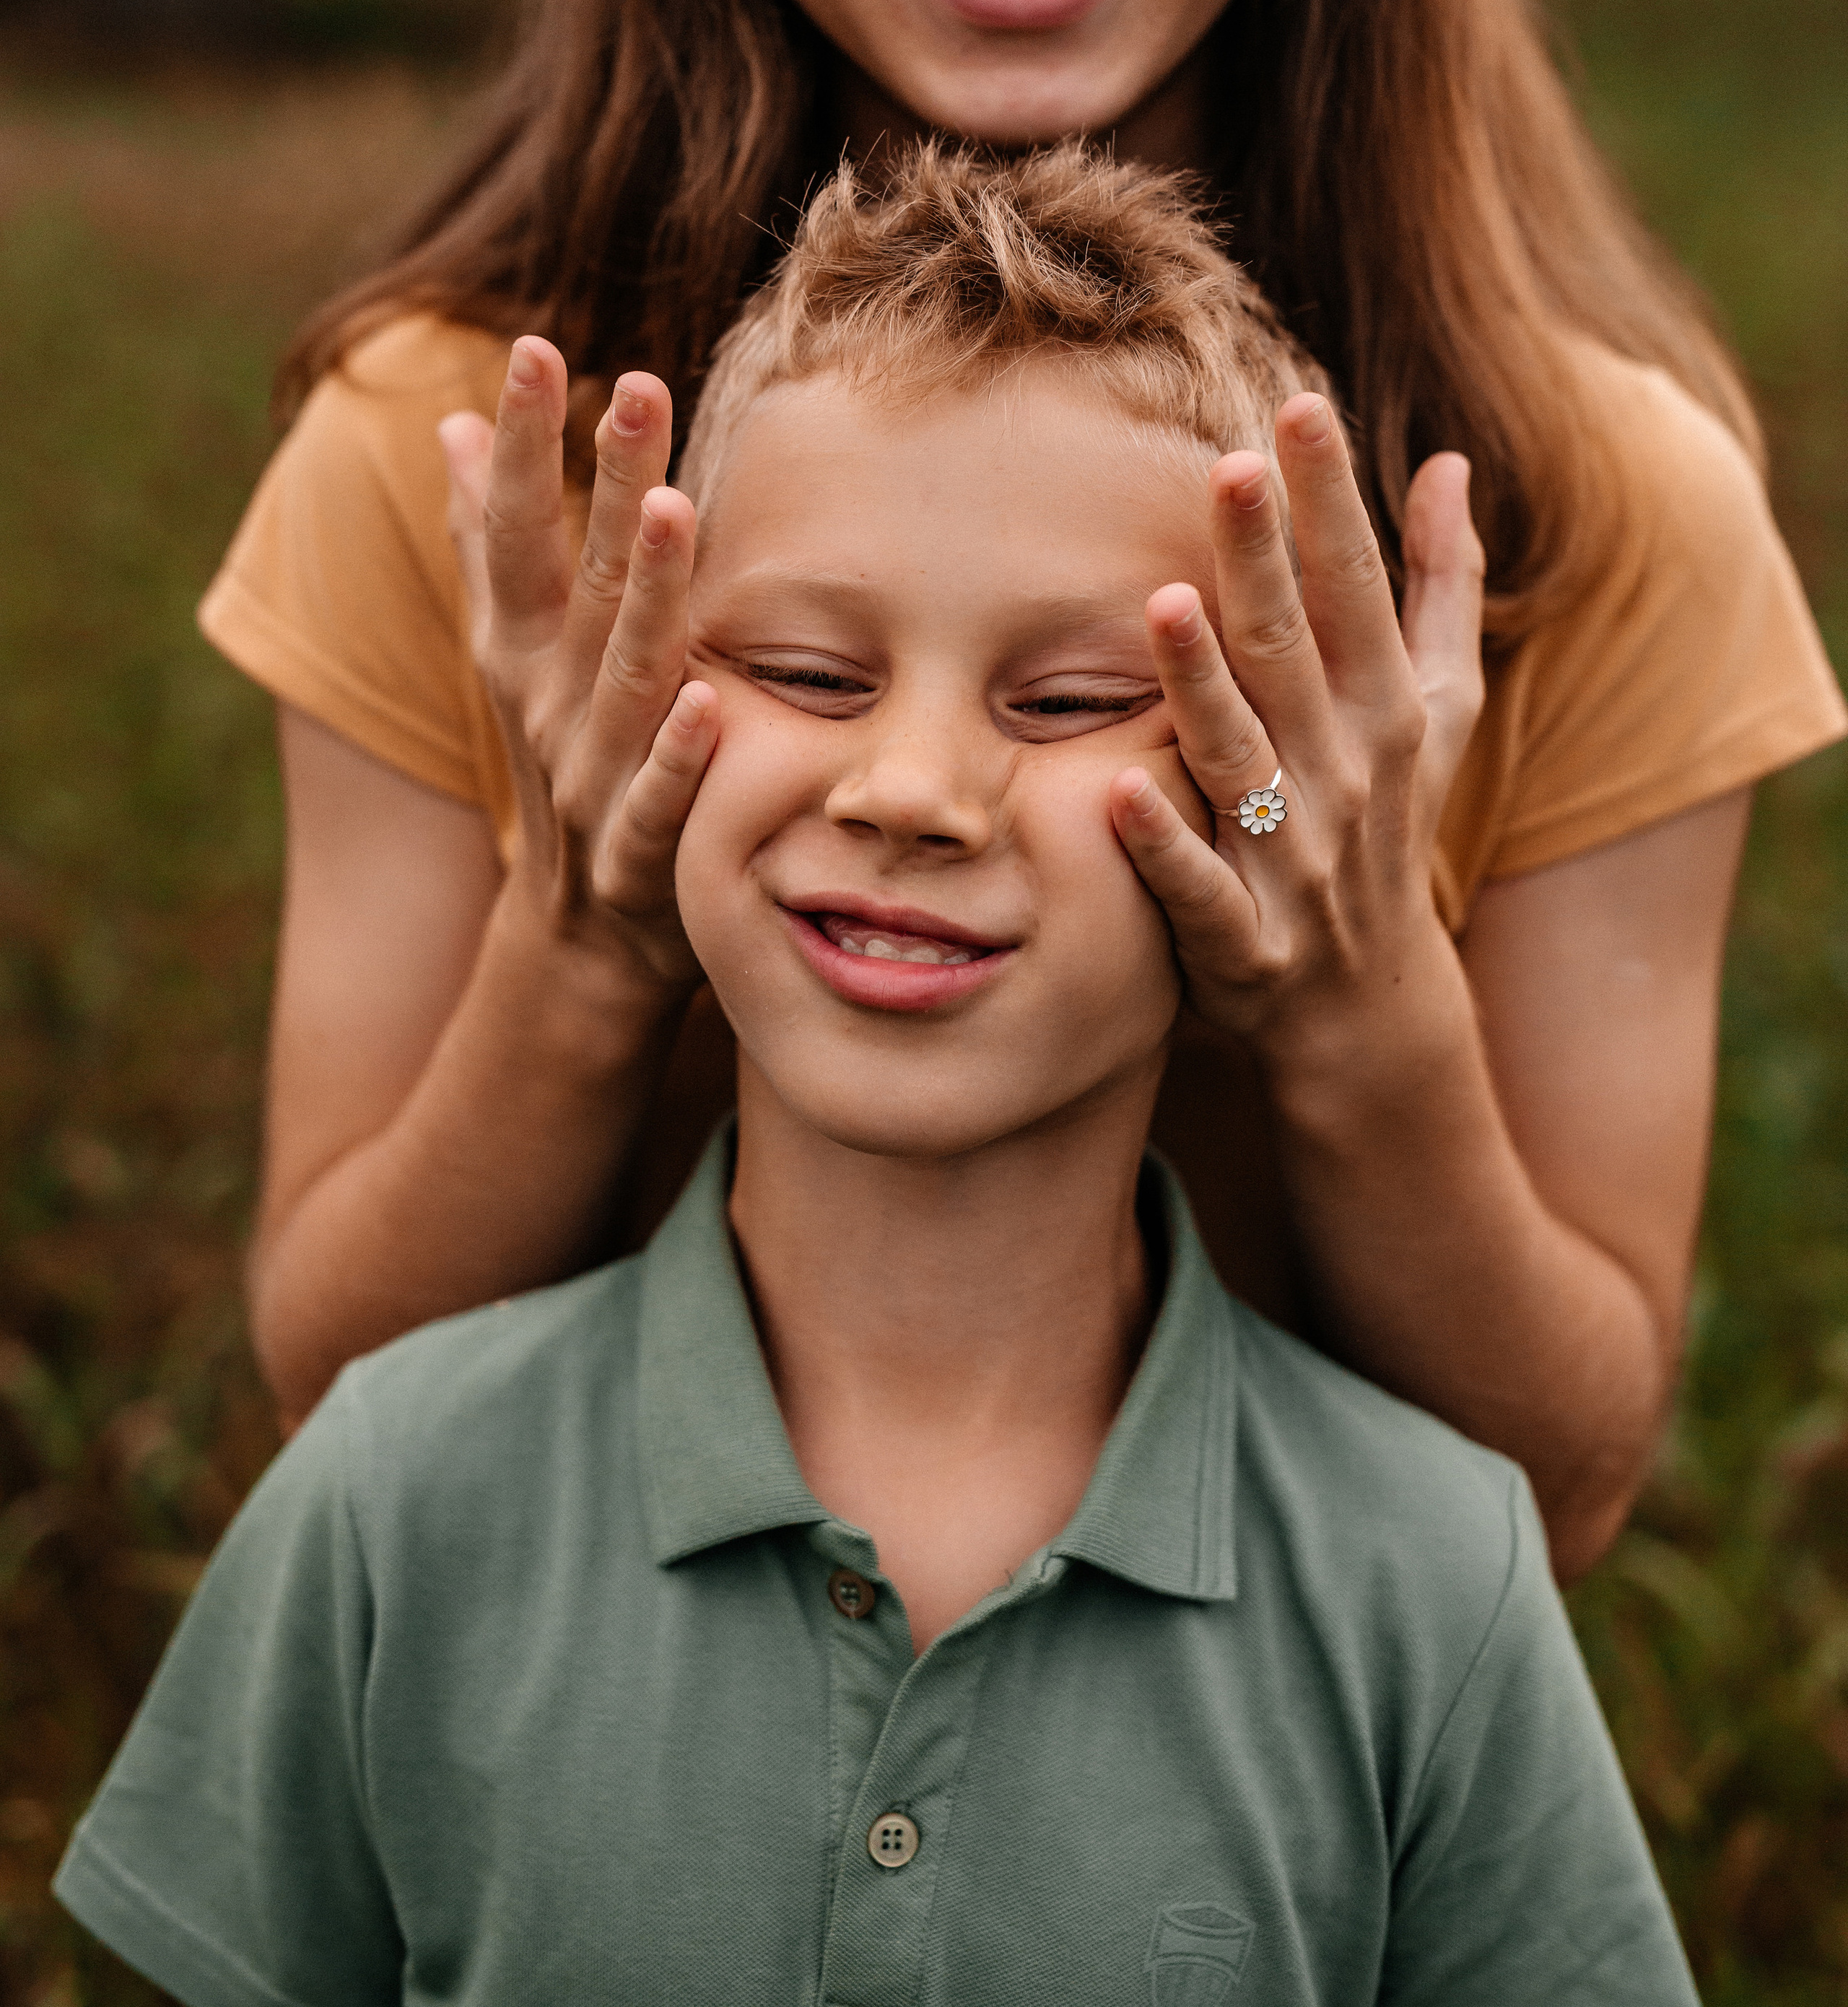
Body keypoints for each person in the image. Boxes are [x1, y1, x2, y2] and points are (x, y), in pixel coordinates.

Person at [201, 0, 1844, 1574]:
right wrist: (585, 943)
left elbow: (1557, 1487)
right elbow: (338, 1403)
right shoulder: (457, 452)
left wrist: (1358, 1007)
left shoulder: (1582, 505)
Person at [61, 149, 1699, 2007]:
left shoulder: (1432, 1575)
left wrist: (1300, 845)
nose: (909, 787)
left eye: (1072, 701)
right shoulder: (388, 1502)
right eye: (803, 670)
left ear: (1277, 784)